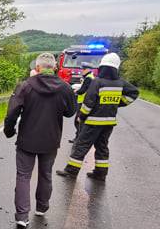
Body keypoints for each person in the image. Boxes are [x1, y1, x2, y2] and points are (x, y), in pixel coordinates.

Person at [4, 52, 77, 228]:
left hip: (27, 140)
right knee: (46, 174)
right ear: (55, 68)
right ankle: (42, 207)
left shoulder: (26, 85)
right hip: (51, 140)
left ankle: (22, 216)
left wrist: (8, 130)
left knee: (23, 176)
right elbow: (70, 112)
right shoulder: (65, 87)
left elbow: (13, 111)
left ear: (37, 68)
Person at [56, 52, 139, 181]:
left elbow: (89, 102)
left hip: (93, 122)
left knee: (81, 145)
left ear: (102, 66)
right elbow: (134, 92)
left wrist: (81, 116)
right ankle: (100, 173)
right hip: (109, 123)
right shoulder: (120, 83)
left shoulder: (98, 82)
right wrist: (118, 103)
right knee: (102, 147)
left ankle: (71, 171)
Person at [69, 66, 94, 143]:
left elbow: (83, 90)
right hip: (83, 101)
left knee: (78, 121)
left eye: (83, 69)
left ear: (88, 69)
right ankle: (79, 138)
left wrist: (75, 92)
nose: (82, 71)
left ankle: (79, 139)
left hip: (83, 102)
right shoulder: (89, 77)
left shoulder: (89, 78)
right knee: (80, 121)